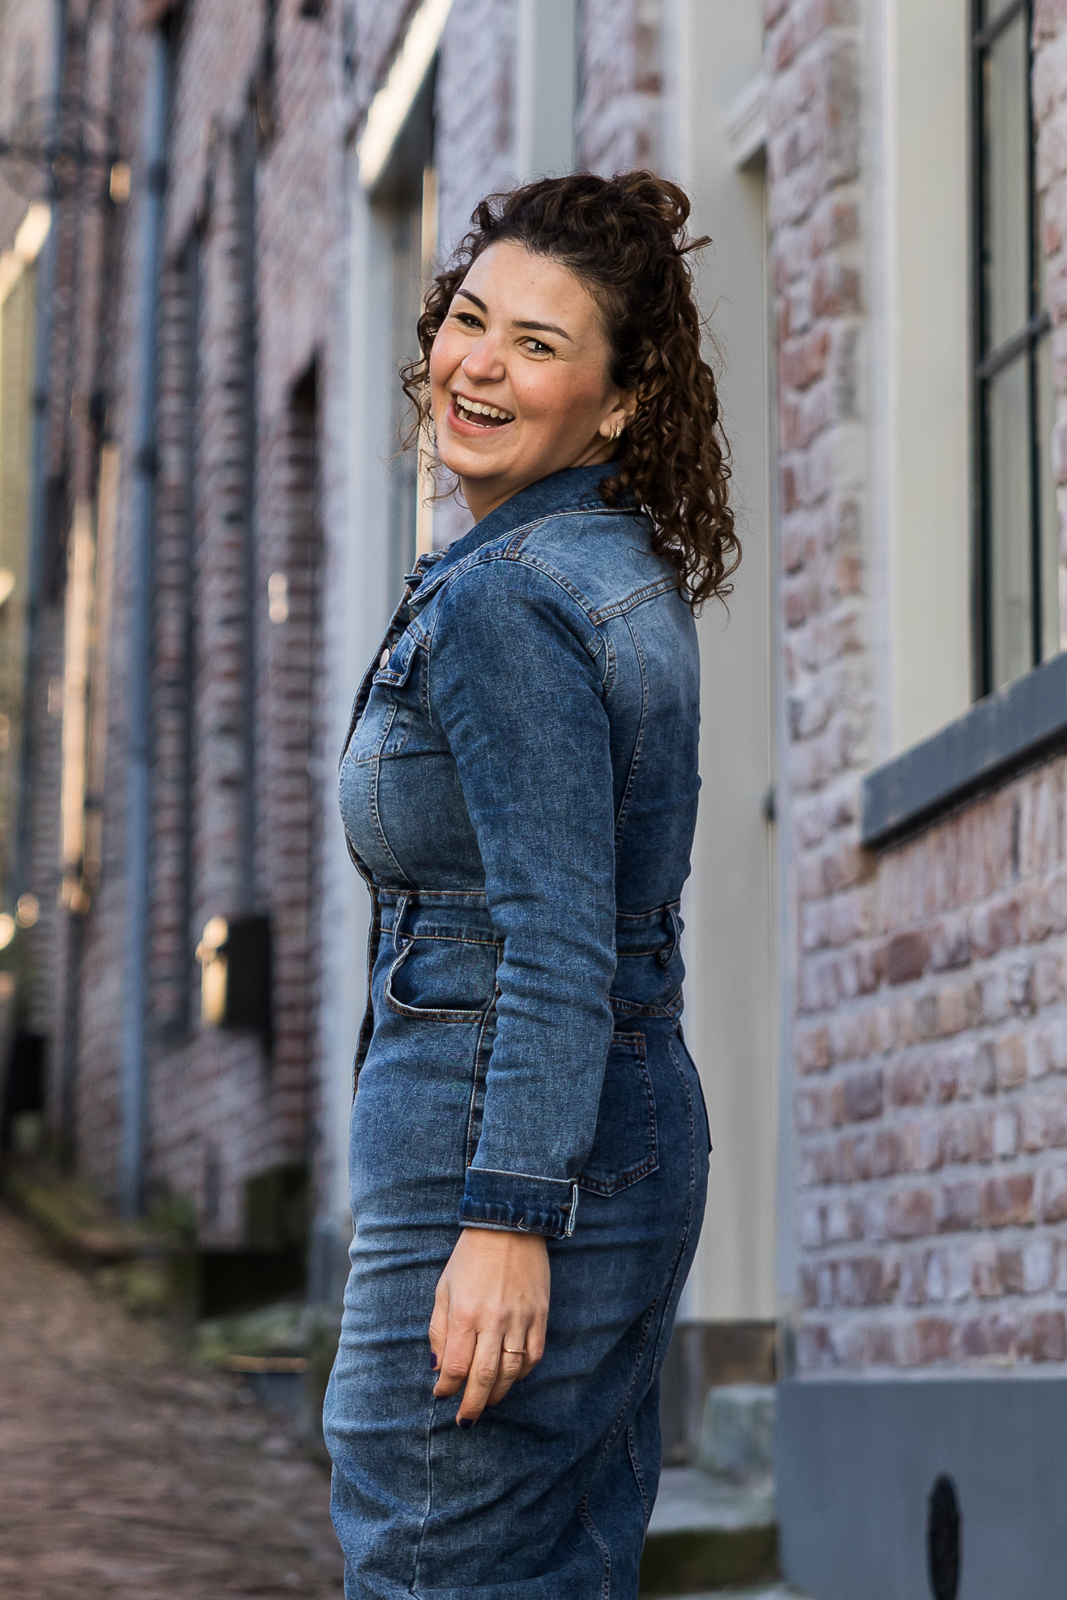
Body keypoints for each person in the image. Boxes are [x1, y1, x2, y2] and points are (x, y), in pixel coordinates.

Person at [324, 170, 738, 1600]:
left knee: (430, 1560)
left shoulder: (508, 598)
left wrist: (506, 1221)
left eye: (538, 344)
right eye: (470, 319)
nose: (479, 365)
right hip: (612, 1127)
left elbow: (558, 938)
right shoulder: (607, 570)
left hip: (497, 1143)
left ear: (620, 404)